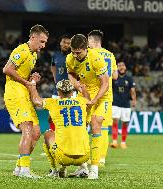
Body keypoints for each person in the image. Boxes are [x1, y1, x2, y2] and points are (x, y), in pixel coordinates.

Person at [3, 24, 49, 179]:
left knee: (36, 132)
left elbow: (24, 77)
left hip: (24, 93)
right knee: (28, 128)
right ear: (33, 37)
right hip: (15, 93)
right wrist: (27, 82)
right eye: (41, 41)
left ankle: (19, 167)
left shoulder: (34, 54)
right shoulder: (21, 51)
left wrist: (32, 80)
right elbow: (7, 69)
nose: (43, 45)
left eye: (45, 42)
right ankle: (25, 170)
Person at [66, 34, 109, 179]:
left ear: (86, 48)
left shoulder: (96, 58)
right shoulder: (70, 58)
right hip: (84, 92)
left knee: (96, 123)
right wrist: (75, 84)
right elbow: (70, 73)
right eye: (73, 51)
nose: (75, 55)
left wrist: (94, 100)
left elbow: (105, 83)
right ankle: (82, 167)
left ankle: (94, 168)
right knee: (78, 127)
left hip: (102, 95)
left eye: (78, 52)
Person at [30, 79, 90, 178]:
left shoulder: (53, 102)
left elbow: (36, 100)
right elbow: (89, 100)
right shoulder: (82, 101)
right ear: (72, 92)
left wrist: (33, 83)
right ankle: (83, 167)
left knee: (48, 134)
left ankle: (55, 170)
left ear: (58, 92)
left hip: (63, 157)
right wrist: (84, 89)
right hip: (85, 156)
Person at [87, 29, 118, 166]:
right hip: (107, 95)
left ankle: (87, 157)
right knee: (103, 127)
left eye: (88, 41)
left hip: (91, 95)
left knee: (86, 126)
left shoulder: (90, 54)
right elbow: (115, 76)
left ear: (93, 41)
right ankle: (101, 158)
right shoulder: (110, 55)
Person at [110, 61, 136, 149]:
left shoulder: (129, 78)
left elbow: (132, 91)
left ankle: (123, 142)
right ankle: (114, 141)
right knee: (115, 121)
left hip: (126, 104)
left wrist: (134, 100)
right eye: (119, 66)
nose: (121, 67)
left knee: (125, 123)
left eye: (123, 66)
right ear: (116, 68)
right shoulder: (114, 78)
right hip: (116, 103)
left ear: (125, 67)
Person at [49, 34, 71, 131]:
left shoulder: (73, 56)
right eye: (64, 42)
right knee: (52, 117)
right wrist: (55, 78)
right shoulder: (55, 55)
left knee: (68, 117)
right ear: (60, 43)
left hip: (70, 91)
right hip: (57, 90)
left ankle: (67, 139)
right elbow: (53, 66)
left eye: (68, 43)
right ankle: (54, 139)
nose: (66, 45)